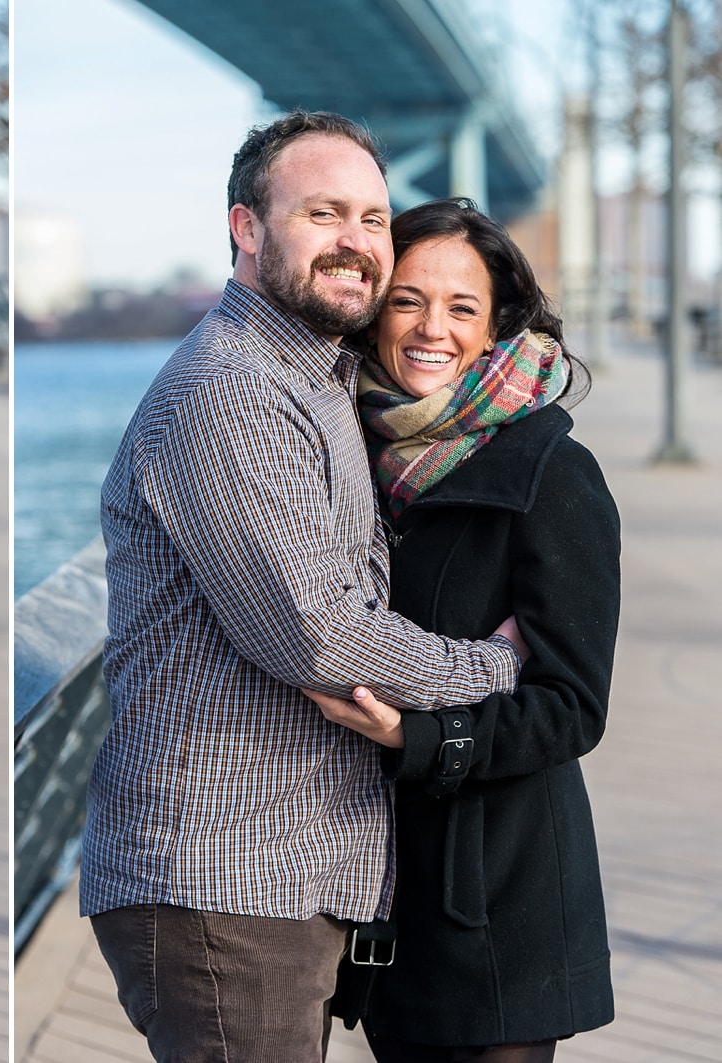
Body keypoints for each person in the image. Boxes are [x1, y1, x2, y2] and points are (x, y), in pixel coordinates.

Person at [83, 110, 529, 1063]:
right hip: (222, 877)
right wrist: (493, 665)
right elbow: (318, 635)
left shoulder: (318, 374)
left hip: (279, 874)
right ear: (246, 227)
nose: (357, 243)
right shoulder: (228, 389)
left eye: (373, 219)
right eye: (323, 213)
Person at [303, 198, 618, 1063]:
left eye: (461, 307)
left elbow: (572, 706)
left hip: (500, 903)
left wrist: (417, 733)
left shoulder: (551, 471)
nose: (430, 328)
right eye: (407, 300)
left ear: (495, 327)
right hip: (384, 898)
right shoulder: (343, 454)